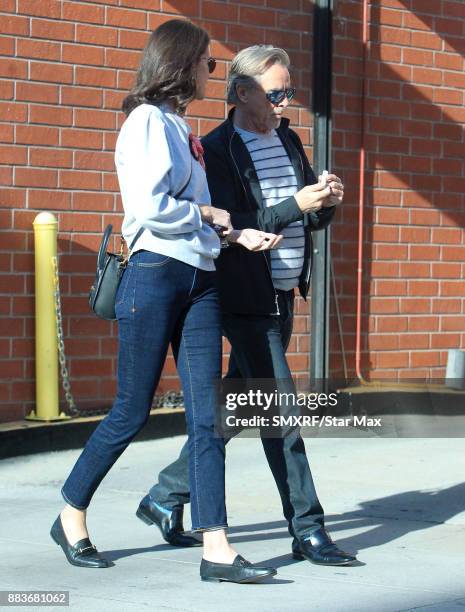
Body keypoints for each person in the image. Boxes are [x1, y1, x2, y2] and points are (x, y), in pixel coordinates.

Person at [50, 21, 281, 584]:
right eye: (206, 62)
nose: (212, 72)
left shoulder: (181, 127)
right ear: (181, 64)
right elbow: (151, 209)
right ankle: (71, 513)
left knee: (206, 415)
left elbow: (194, 214)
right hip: (154, 276)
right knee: (131, 412)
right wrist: (206, 215)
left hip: (200, 277)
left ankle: (217, 547)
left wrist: (234, 235)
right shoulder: (146, 122)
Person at [137, 44, 357, 567]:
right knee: (281, 411)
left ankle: (165, 496)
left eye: (289, 92)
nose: (286, 103)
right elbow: (235, 222)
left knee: (235, 407)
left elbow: (300, 215)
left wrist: (322, 203)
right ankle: (308, 527)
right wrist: (294, 205)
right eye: (276, 93)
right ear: (242, 93)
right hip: (242, 295)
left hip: (283, 293)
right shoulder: (214, 149)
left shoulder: (287, 139)